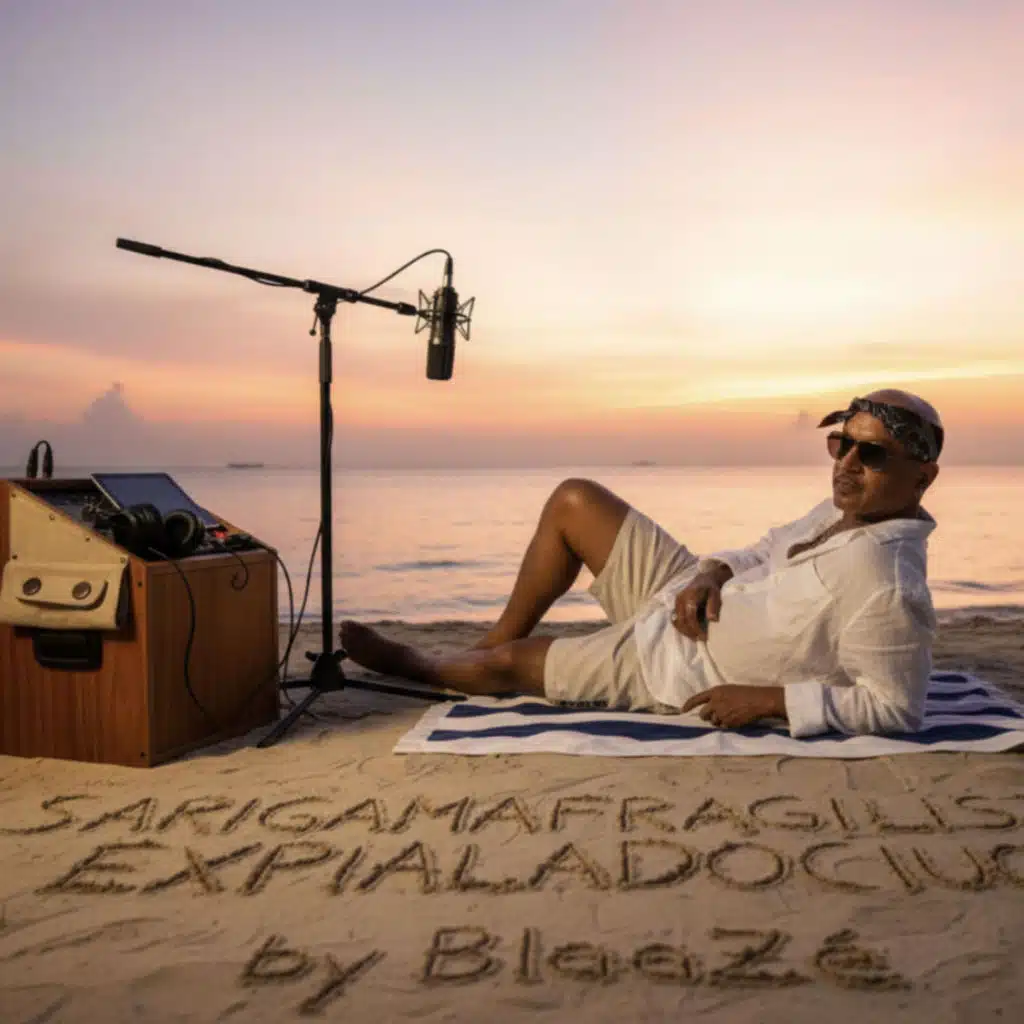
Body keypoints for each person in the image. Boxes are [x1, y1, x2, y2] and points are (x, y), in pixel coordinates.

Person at [340, 388, 944, 737]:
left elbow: (895, 707)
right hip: (687, 597)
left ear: (922, 478)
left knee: (512, 665)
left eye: (871, 454)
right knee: (575, 500)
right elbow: (765, 549)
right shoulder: (842, 507)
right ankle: (489, 639)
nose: (846, 464)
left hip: (676, 667)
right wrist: (709, 573)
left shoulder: (888, 582)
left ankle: (421, 665)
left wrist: (770, 700)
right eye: (841, 443)